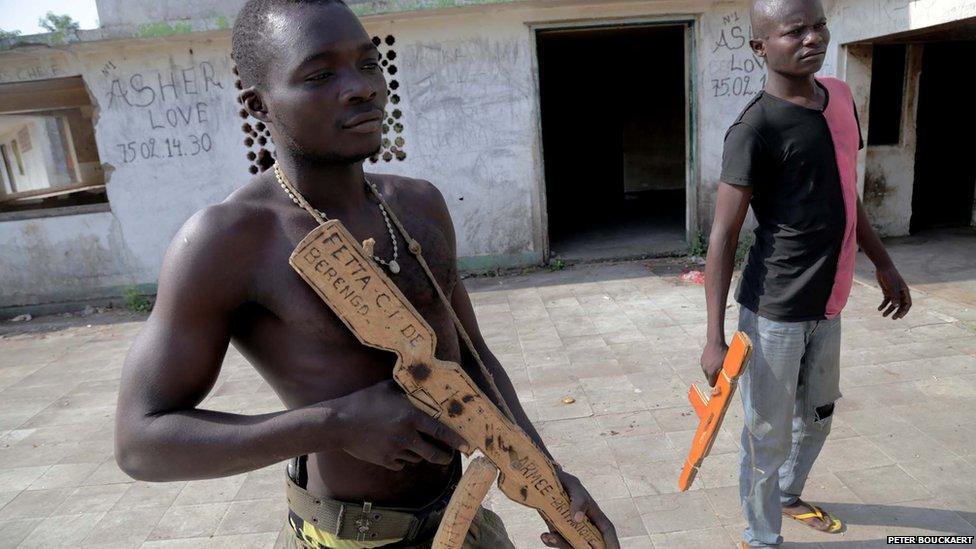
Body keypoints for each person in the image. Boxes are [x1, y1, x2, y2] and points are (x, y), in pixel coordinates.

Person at [114, 1, 619, 548]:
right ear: (259, 105)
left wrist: (549, 484)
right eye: (320, 74)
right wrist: (334, 424)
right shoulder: (230, 240)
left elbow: (473, 359)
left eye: (368, 64)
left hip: (461, 521)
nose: (361, 88)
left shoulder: (418, 205)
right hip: (348, 538)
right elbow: (142, 443)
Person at [699, 0, 912, 546]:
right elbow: (723, 237)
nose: (811, 38)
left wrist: (883, 262)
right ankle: (760, 535)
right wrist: (714, 338)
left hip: (830, 302)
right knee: (765, 435)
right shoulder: (753, 128)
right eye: (794, 31)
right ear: (760, 47)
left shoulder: (839, 97)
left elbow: (847, 190)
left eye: (818, 26)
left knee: (817, 415)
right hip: (773, 310)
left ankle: (789, 493)